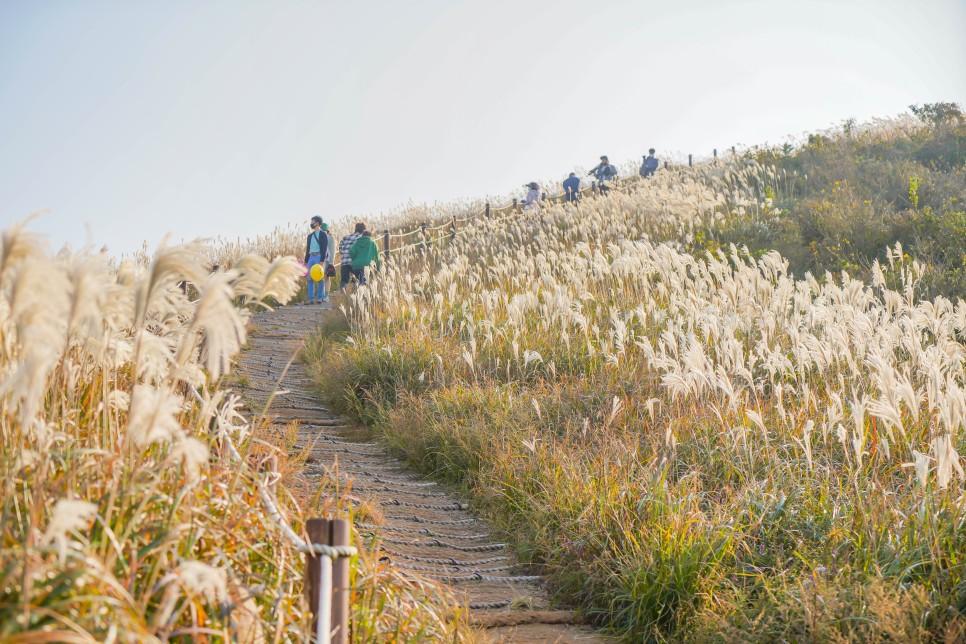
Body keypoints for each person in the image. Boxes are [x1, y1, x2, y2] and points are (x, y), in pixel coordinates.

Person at [304, 216, 328, 304]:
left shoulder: (323, 234)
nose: (311, 223)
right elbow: (308, 249)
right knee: (310, 278)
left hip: (319, 256)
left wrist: (322, 260)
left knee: (320, 278)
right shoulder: (310, 236)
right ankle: (310, 298)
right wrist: (306, 261)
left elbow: (324, 248)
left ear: (317, 223)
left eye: (312, 222)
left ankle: (320, 297)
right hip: (311, 257)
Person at [338, 223, 365, 291]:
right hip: (355, 262)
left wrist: (345, 253)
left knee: (344, 280)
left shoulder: (346, 237)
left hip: (345, 261)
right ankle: (356, 285)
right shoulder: (361, 239)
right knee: (358, 278)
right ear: (363, 231)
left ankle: (343, 287)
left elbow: (340, 249)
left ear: (355, 229)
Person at [319, 223, 336, 302]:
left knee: (321, 278)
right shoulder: (331, 237)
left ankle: (321, 295)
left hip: (320, 260)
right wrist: (331, 263)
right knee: (327, 278)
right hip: (327, 260)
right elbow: (332, 251)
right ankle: (326, 296)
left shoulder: (319, 237)